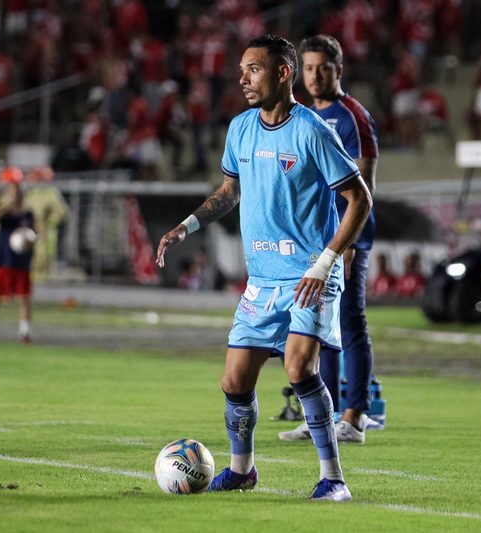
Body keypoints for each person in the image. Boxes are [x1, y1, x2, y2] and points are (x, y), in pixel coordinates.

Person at [155, 34, 372, 501]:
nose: (243, 79)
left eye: (253, 69)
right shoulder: (240, 128)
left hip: (311, 274)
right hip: (263, 278)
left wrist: (327, 261)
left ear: (283, 72)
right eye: (242, 70)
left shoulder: (313, 131)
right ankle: (242, 470)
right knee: (234, 380)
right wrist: (187, 227)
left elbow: (360, 199)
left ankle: (334, 479)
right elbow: (229, 191)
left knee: (299, 368)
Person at [277, 34, 380, 445]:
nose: (315, 76)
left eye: (323, 68)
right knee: (320, 326)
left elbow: (364, 183)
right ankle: (323, 414)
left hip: (347, 239)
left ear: (339, 70)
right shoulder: (303, 116)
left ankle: (355, 417)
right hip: (313, 240)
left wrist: (349, 243)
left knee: (350, 323)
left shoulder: (352, 116)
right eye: (308, 68)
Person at [0, 166, 36, 344]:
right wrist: (2, 208)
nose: (16, 194)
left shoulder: (27, 214)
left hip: (22, 261)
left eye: (18, 191)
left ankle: (24, 332)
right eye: (13, 191)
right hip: (4, 260)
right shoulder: (4, 213)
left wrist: (29, 239)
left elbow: (34, 233)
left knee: (24, 297)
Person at [24, 166, 68, 280]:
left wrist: (49, 223)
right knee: (32, 257)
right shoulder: (31, 193)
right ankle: (34, 280)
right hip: (31, 229)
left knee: (44, 258)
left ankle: (44, 281)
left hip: (46, 232)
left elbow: (61, 212)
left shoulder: (51, 193)